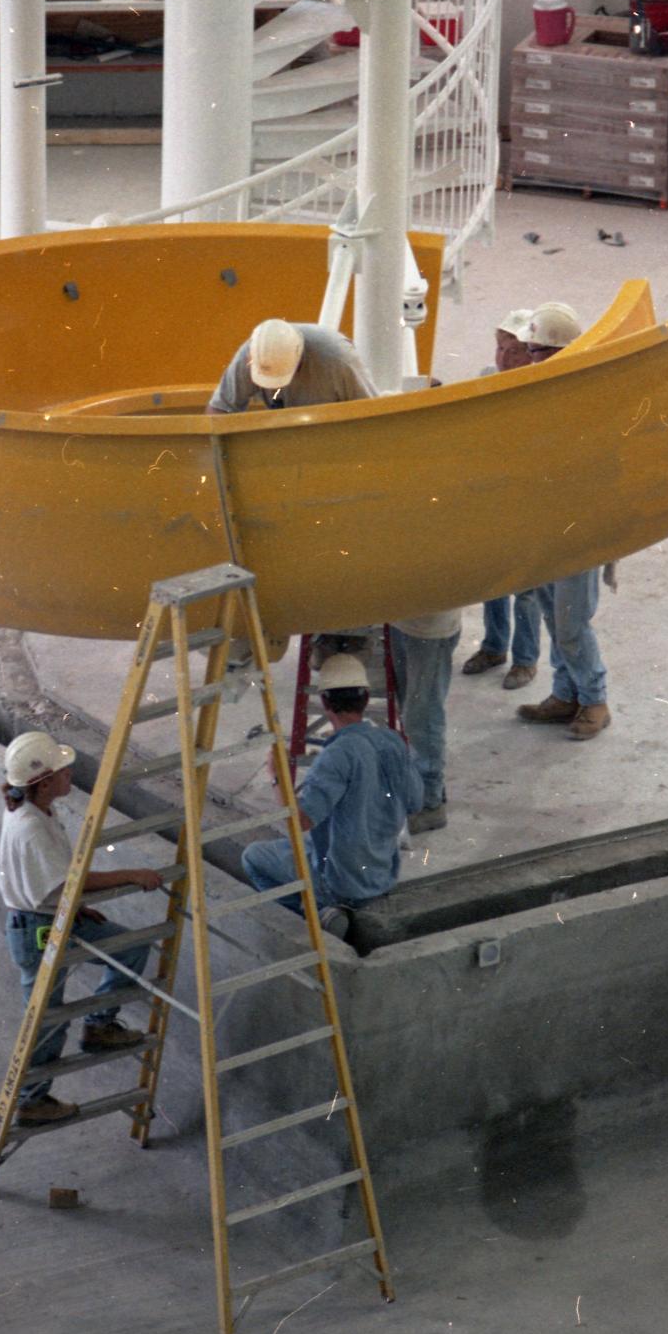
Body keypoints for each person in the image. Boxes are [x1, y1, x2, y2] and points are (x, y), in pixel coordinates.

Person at [0, 729, 164, 1128]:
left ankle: (99, 1024)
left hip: (53, 917)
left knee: (130, 947)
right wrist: (131, 874)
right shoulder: (31, 828)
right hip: (37, 931)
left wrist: (74, 908)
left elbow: (53, 883)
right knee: (48, 1021)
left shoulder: (35, 812)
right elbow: (71, 881)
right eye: (62, 771)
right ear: (42, 782)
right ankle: (31, 1101)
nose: (69, 774)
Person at [241, 654, 422, 932]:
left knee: (253, 858)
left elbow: (298, 822)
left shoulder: (336, 756)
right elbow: (415, 802)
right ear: (365, 699)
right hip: (380, 875)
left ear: (325, 702)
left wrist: (277, 776)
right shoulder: (392, 742)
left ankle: (317, 911)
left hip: (340, 884)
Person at [513, 302, 613, 742]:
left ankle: (595, 701)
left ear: (557, 353)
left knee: (571, 622)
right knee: (553, 617)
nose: (527, 358)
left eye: (535, 351)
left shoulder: (585, 401)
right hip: (546, 526)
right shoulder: (544, 394)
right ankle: (565, 693)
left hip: (578, 532)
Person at [461, 306, 542, 689]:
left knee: (525, 587)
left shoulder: (539, 389)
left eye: (513, 351)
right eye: (499, 349)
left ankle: (525, 660)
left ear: (531, 353)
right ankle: (494, 647)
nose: (503, 358)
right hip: (490, 497)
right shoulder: (485, 380)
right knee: (492, 582)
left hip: (525, 501)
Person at [207, 317, 377, 414]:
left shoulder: (339, 360)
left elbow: (370, 415)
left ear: (300, 357)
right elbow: (220, 410)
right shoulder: (251, 354)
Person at [390, 607, 460, 833]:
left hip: (431, 628)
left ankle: (430, 804)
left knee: (423, 718)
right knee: (412, 713)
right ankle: (428, 791)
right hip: (402, 619)